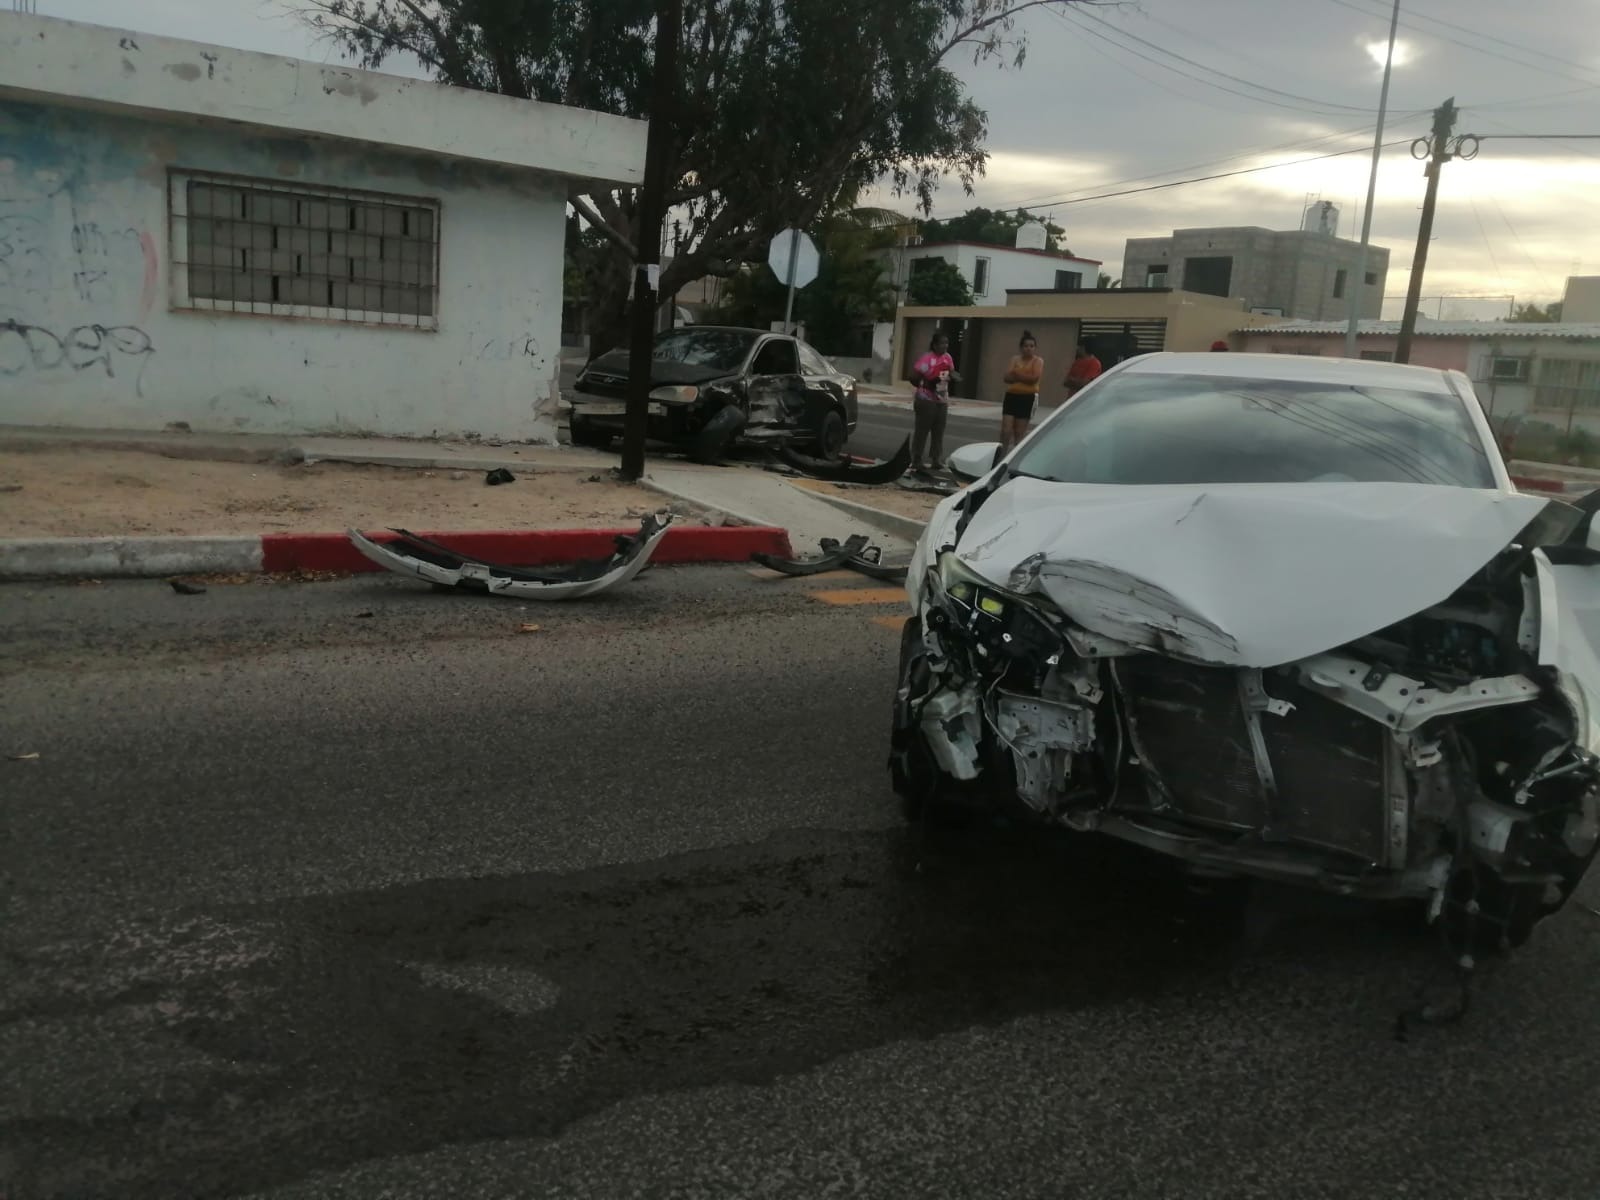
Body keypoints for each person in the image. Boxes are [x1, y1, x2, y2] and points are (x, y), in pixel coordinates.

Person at [908, 331, 959, 471]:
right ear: (935, 345)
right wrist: (925, 384)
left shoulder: (948, 358)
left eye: (946, 343)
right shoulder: (926, 359)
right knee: (922, 430)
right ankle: (916, 459)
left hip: (941, 399)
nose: (945, 346)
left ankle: (936, 459)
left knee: (938, 430)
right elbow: (913, 376)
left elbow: (951, 371)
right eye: (942, 343)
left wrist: (954, 377)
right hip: (926, 398)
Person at [1000, 330, 1044, 453]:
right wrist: (1023, 376)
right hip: (1012, 396)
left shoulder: (1038, 361)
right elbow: (1007, 378)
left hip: (1027, 398)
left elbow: (1033, 379)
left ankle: (1014, 457)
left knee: (1019, 433)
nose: (1028, 349)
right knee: (1006, 430)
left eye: (1031, 346)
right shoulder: (1014, 359)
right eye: (1026, 346)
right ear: (1021, 347)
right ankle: (1001, 455)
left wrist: (1017, 373)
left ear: (1035, 348)